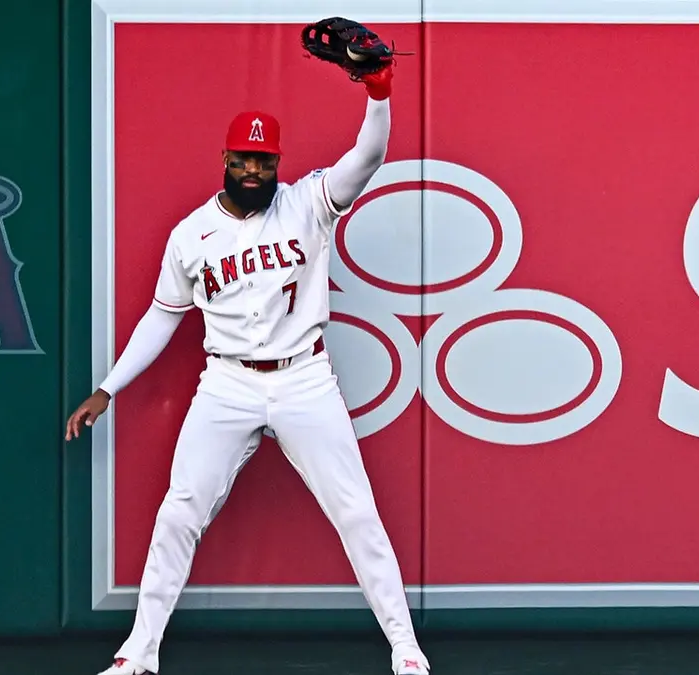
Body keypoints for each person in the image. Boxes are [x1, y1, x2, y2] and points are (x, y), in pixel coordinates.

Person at [64, 59, 429, 675]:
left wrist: (379, 91)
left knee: (357, 511)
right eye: (244, 158)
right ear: (226, 160)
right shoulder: (191, 236)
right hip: (227, 382)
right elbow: (162, 317)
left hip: (305, 377)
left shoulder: (309, 202)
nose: (255, 169)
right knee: (180, 509)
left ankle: (407, 651)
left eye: (265, 159)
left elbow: (368, 156)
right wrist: (109, 387)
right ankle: (138, 654)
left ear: (277, 162)